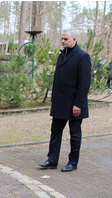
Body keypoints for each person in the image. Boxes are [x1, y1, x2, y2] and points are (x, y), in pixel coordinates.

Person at [38, 29, 91, 172]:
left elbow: (84, 83)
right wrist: (54, 99)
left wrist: (78, 104)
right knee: (55, 132)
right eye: (62, 39)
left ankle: (73, 162)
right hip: (60, 103)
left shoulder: (82, 56)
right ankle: (52, 160)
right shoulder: (61, 56)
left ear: (74, 40)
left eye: (66, 39)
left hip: (74, 104)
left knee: (74, 135)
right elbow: (58, 80)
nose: (63, 41)